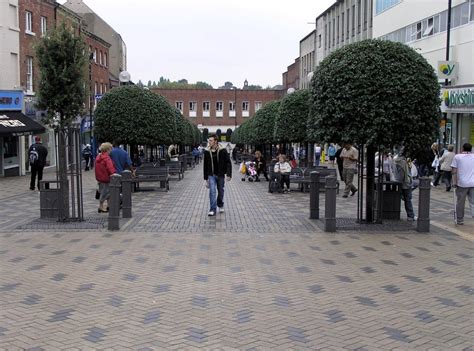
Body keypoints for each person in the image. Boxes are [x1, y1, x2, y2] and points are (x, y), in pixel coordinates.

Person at [203, 135, 232, 216]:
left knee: (221, 190)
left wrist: (229, 174)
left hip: (220, 174)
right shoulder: (207, 151)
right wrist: (206, 178)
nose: (209, 142)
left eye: (211, 141)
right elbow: (205, 165)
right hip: (211, 174)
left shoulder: (222, 150)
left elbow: (228, 162)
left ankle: (220, 204)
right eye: (209, 140)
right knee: (212, 191)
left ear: (215, 141)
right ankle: (212, 209)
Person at [451, 143, 474, 225]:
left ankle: (460, 219)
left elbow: (454, 171)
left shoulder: (457, 157)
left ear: (462, 148)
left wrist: (454, 182)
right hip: (473, 183)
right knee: (473, 201)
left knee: (460, 202)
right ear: (471, 149)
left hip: (462, 183)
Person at [393, 149, 416, 221]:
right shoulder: (404, 161)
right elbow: (408, 171)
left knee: (401, 199)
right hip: (406, 183)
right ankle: (411, 216)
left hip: (401, 183)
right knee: (408, 199)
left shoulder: (397, 161)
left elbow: (400, 175)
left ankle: (396, 214)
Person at [95, 142, 116, 213]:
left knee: (107, 192)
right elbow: (110, 168)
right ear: (107, 149)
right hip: (106, 178)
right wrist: (113, 174)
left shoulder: (98, 157)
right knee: (105, 193)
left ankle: (109, 206)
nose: (111, 150)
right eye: (110, 149)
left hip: (100, 178)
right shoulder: (106, 158)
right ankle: (101, 207)